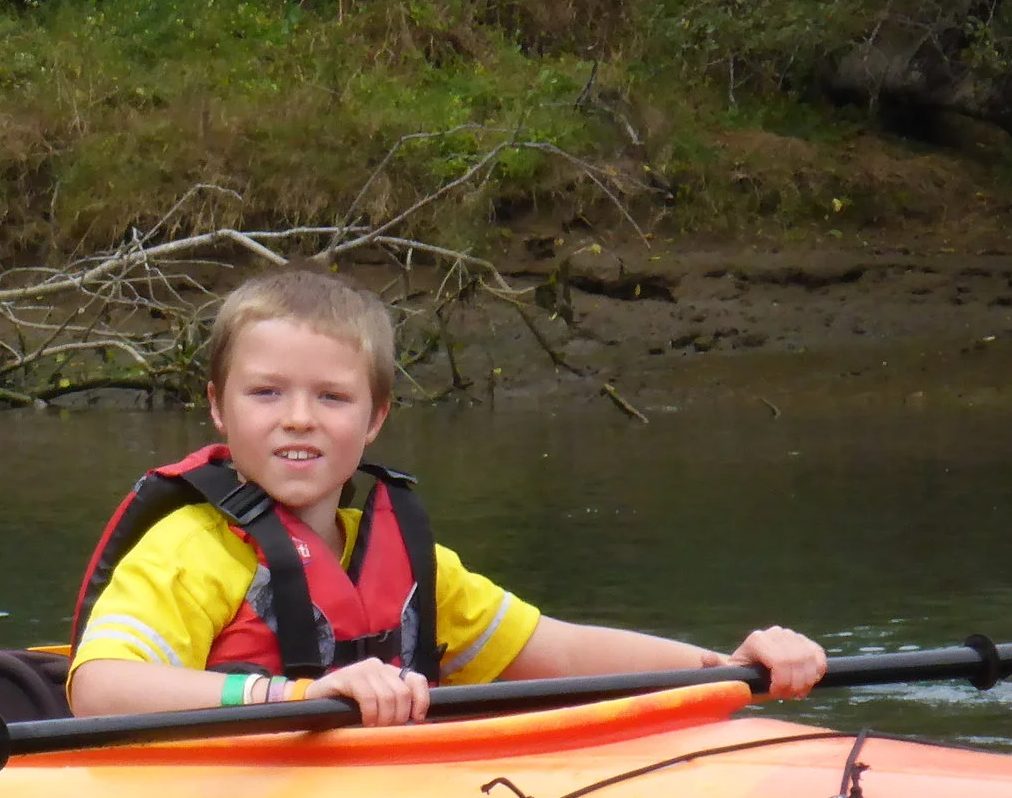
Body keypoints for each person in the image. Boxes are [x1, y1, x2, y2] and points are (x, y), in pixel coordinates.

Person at [66, 267, 828, 724]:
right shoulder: (189, 553)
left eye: (332, 397)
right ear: (218, 409)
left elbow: (552, 650)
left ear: (376, 418)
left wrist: (727, 669)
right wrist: (294, 699)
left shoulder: (408, 559)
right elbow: (99, 687)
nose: (298, 417)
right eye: (266, 393)